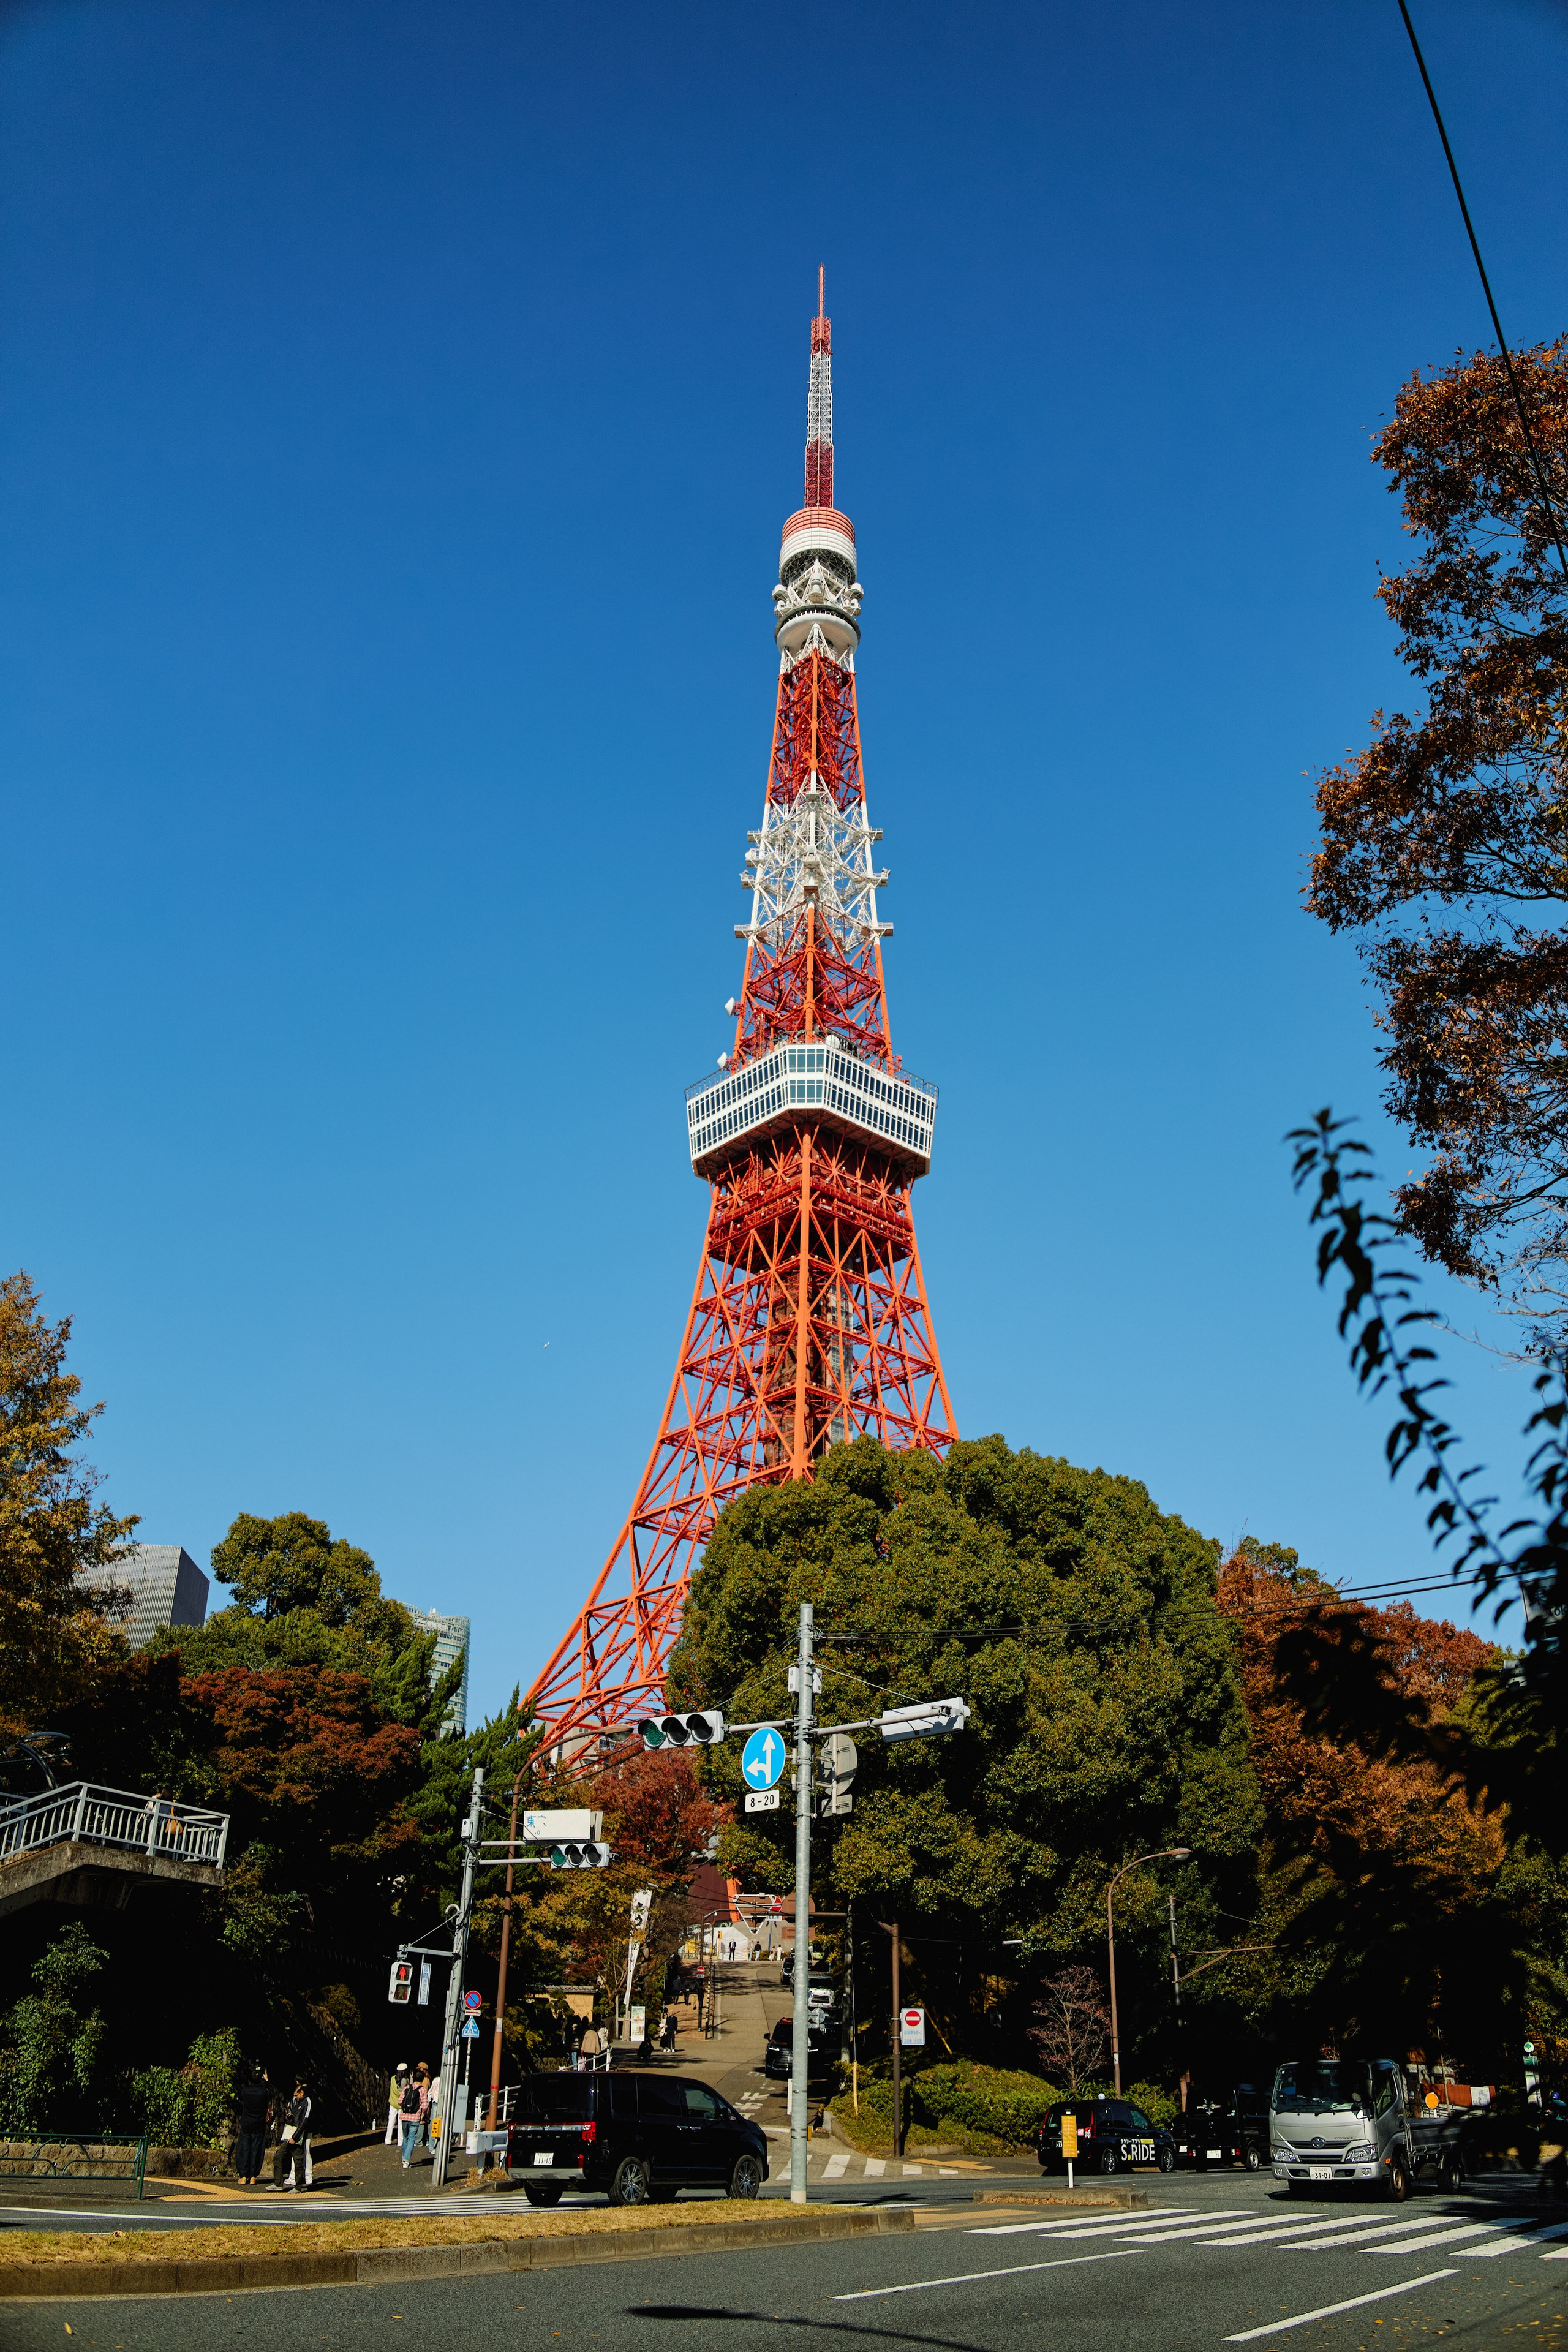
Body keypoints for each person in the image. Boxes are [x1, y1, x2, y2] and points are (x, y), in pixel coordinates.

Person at [234, 2068, 271, 2188]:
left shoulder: (245, 2091)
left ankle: (243, 2176)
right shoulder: (264, 2092)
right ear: (261, 2078)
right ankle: (254, 2176)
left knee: (245, 2148)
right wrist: (267, 2081)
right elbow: (271, 2095)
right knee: (256, 2149)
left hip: (247, 2122)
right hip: (259, 2123)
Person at [275, 2078, 312, 2192]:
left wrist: (295, 2137)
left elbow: (305, 2121)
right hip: (291, 2133)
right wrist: (290, 2116)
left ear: (302, 2093)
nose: (295, 2097)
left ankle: (298, 2186)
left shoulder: (307, 2102)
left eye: (297, 2095)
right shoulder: (298, 2103)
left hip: (297, 2136)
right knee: (278, 2156)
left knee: (298, 2160)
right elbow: (297, 2119)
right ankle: (278, 2183)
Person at [398, 2066, 428, 2168]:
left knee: (405, 2138)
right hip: (415, 2118)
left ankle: (404, 2158)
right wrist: (423, 2114)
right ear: (423, 2079)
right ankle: (406, 2161)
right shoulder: (423, 2090)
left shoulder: (407, 2088)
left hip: (404, 2117)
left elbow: (400, 2101)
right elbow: (425, 2106)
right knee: (412, 2139)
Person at [385, 2062, 409, 2147]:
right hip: (401, 2105)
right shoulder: (405, 2081)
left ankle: (388, 2140)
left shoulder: (392, 2079)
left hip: (392, 2103)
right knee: (400, 2124)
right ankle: (400, 2141)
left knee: (391, 2123)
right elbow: (404, 2093)